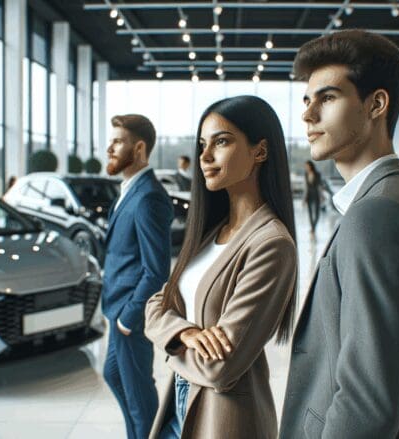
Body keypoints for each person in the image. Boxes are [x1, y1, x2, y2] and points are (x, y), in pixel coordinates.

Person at [280, 29, 399, 438]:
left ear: (376, 104)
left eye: (328, 98)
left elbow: (366, 403)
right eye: (307, 99)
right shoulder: (393, 197)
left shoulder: (378, 214)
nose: (308, 114)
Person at [144, 95, 298, 439]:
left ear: (260, 151)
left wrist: (167, 341)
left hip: (225, 421)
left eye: (222, 141)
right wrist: (185, 333)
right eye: (202, 144)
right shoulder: (211, 232)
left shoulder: (271, 244)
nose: (205, 157)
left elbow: (219, 369)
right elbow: (156, 304)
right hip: (179, 406)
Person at [102, 114, 173, 439]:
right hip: (118, 312)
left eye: (117, 141)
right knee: (115, 377)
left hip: (128, 316)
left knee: (140, 400)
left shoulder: (148, 196)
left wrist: (129, 318)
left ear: (140, 148)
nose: (109, 147)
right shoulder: (130, 188)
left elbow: (156, 269)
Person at [303, 160, 324, 233]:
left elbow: (319, 186)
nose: (306, 167)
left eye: (307, 166)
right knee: (310, 213)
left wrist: (322, 196)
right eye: (305, 166)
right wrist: (304, 199)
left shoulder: (317, 174)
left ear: (311, 166)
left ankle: (313, 227)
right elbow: (306, 187)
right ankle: (312, 228)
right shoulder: (306, 174)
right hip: (309, 195)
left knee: (317, 213)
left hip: (316, 194)